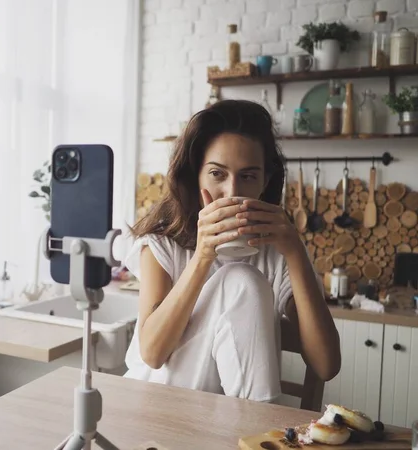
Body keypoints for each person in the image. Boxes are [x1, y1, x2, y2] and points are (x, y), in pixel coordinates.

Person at [123, 100, 341, 403]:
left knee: (242, 277)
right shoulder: (164, 243)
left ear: (264, 183)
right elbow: (153, 355)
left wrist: (295, 252)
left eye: (248, 176)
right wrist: (202, 256)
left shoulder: (278, 253)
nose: (232, 192)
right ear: (196, 176)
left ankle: (253, 429)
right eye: (217, 174)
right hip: (154, 407)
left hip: (221, 424)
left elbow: (327, 366)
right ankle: (257, 430)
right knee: (239, 277)